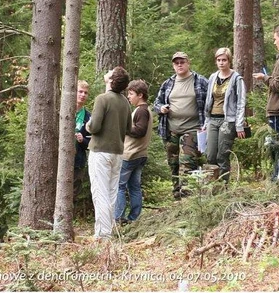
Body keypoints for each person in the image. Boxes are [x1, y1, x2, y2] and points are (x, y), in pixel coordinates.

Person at [153, 52, 208, 200]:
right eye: (176, 63)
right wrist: (161, 108)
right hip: (171, 130)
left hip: (192, 129)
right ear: (173, 65)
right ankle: (177, 194)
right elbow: (156, 103)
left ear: (188, 63)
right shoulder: (168, 83)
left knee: (187, 164)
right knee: (174, 165)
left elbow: (210, 102)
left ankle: (188, 198)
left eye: (182, 62)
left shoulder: (200, 81)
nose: (179, 65)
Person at [86, 66, 132, 239]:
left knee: (100, 192)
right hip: (117, 153)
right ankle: (107, 231)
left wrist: (87, 126)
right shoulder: (125, 102)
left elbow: (95, 126)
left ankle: (103, 234)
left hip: (100, 152)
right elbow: (129, 128)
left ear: (112, 80)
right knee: (111, 193)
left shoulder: (102, 99)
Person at [203, 47, 247, 184]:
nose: (221, 63)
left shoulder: (236, 79)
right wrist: (206, 121)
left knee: (222, 155)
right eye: (219, 60)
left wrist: (239, 125)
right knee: (210, 155)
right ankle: (212, 185)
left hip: (228, 121)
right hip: (212, 119)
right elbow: (208, 100)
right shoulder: (212, 77)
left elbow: (241, 102)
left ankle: (223, 186)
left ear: (229, 61)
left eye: (224, 60)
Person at [115, 79, 153, 224]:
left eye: (131, 94)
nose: (129, 97)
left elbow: (140, 131)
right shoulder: (144, 110)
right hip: (140, 154)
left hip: (130, 155)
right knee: (134, 186)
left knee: (119, 186)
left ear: (140, 95)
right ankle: (133, 218)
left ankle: (118, 217)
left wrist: (124, 127)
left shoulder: (142, 110)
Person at [253, 25, 279, 181]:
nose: (274, 42)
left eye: (275, 38)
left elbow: (277, 85)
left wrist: (265, 78)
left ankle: (276, 178)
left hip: (277, 111)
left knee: (275, 147)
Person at [74, 80, 91, 199]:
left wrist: (82, 140)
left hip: (78, 161)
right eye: (80, 91)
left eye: (85, 93)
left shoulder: (88, 117)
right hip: (59, 159)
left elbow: (92, 142)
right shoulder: (60, 112)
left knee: (74, 192)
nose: (83, 95)